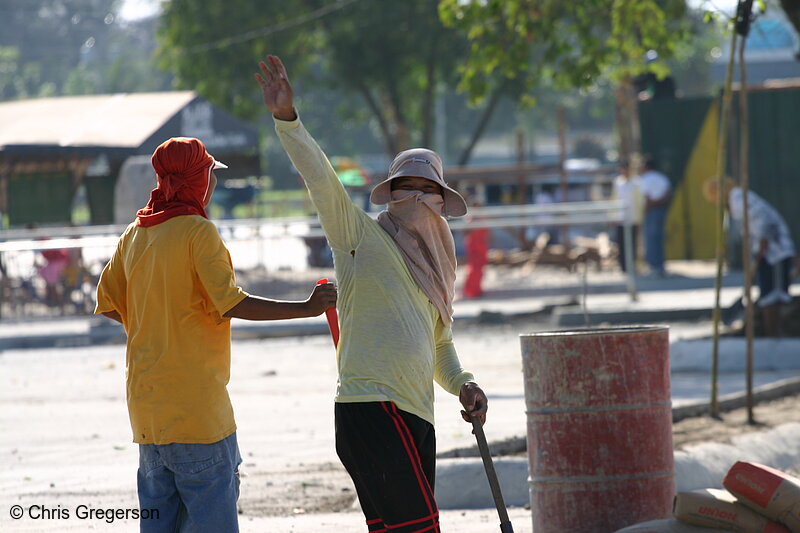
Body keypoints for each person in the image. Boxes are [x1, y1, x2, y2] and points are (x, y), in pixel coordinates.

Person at [255, 55, 488, 533]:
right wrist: (287, 120)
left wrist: (464, 384)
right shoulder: (359, 236)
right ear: (390, 192)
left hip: (417, 413)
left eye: (429, 191)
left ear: (443, 202)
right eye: (408, 189)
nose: (418, 200)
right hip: (371, 408)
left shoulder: (438, 271)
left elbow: (438, 347)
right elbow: (323, 183)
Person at [94, 136, 336, 533]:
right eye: (210, 174)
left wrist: (159, 327)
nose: (214, 183)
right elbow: (232, 303)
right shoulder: (197, 233)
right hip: (198, 415)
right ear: (196, 179)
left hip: (147, 415)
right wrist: (306, 308)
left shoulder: (134, 235)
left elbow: (109, 302)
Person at [704, 178, 799, 337]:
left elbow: (762, 218)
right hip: (767, 252)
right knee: (768, 294)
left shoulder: (738, 200)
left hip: (774, 252)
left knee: (774, 295)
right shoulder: (739, 199)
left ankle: (775, 334)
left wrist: (762, 239)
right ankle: (773, 333)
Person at [639, 157, 671, 277]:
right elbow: (666, 195)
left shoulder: (645, 179)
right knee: (658, 238)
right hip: (662, 210)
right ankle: (660, 266)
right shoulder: (662, 178)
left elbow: (647, 198)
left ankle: (654, 266)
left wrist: (645, 211)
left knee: (651, 239)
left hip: (651, 211)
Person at [611, 161, 644, 273]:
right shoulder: (618, 182)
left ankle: (633, 265)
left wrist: (640, 219)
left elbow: (639, 202)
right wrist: (612, 216)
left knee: (633, 243)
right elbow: (614, 199)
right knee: (621, 243)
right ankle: (623, 267)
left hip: (633, 218)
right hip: (620, 218)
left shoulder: (636, 182)